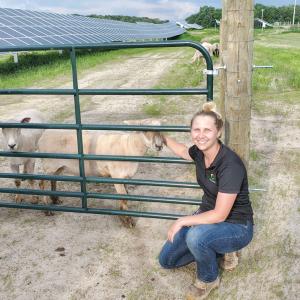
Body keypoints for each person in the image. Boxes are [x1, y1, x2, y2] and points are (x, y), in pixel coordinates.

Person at [159, 102, 254, 300]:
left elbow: (220, 214)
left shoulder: (230, 165)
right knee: (166, 260)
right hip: (208, 217)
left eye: (207, 130)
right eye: (196, 129)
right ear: (191, 131)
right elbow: (185, 152)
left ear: (218, 132)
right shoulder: (199, 152)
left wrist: (182, 221)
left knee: (196, 237)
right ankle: (218, 249)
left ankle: (209, 278)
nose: (200, 135)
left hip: (236, 225)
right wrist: (161, 136)